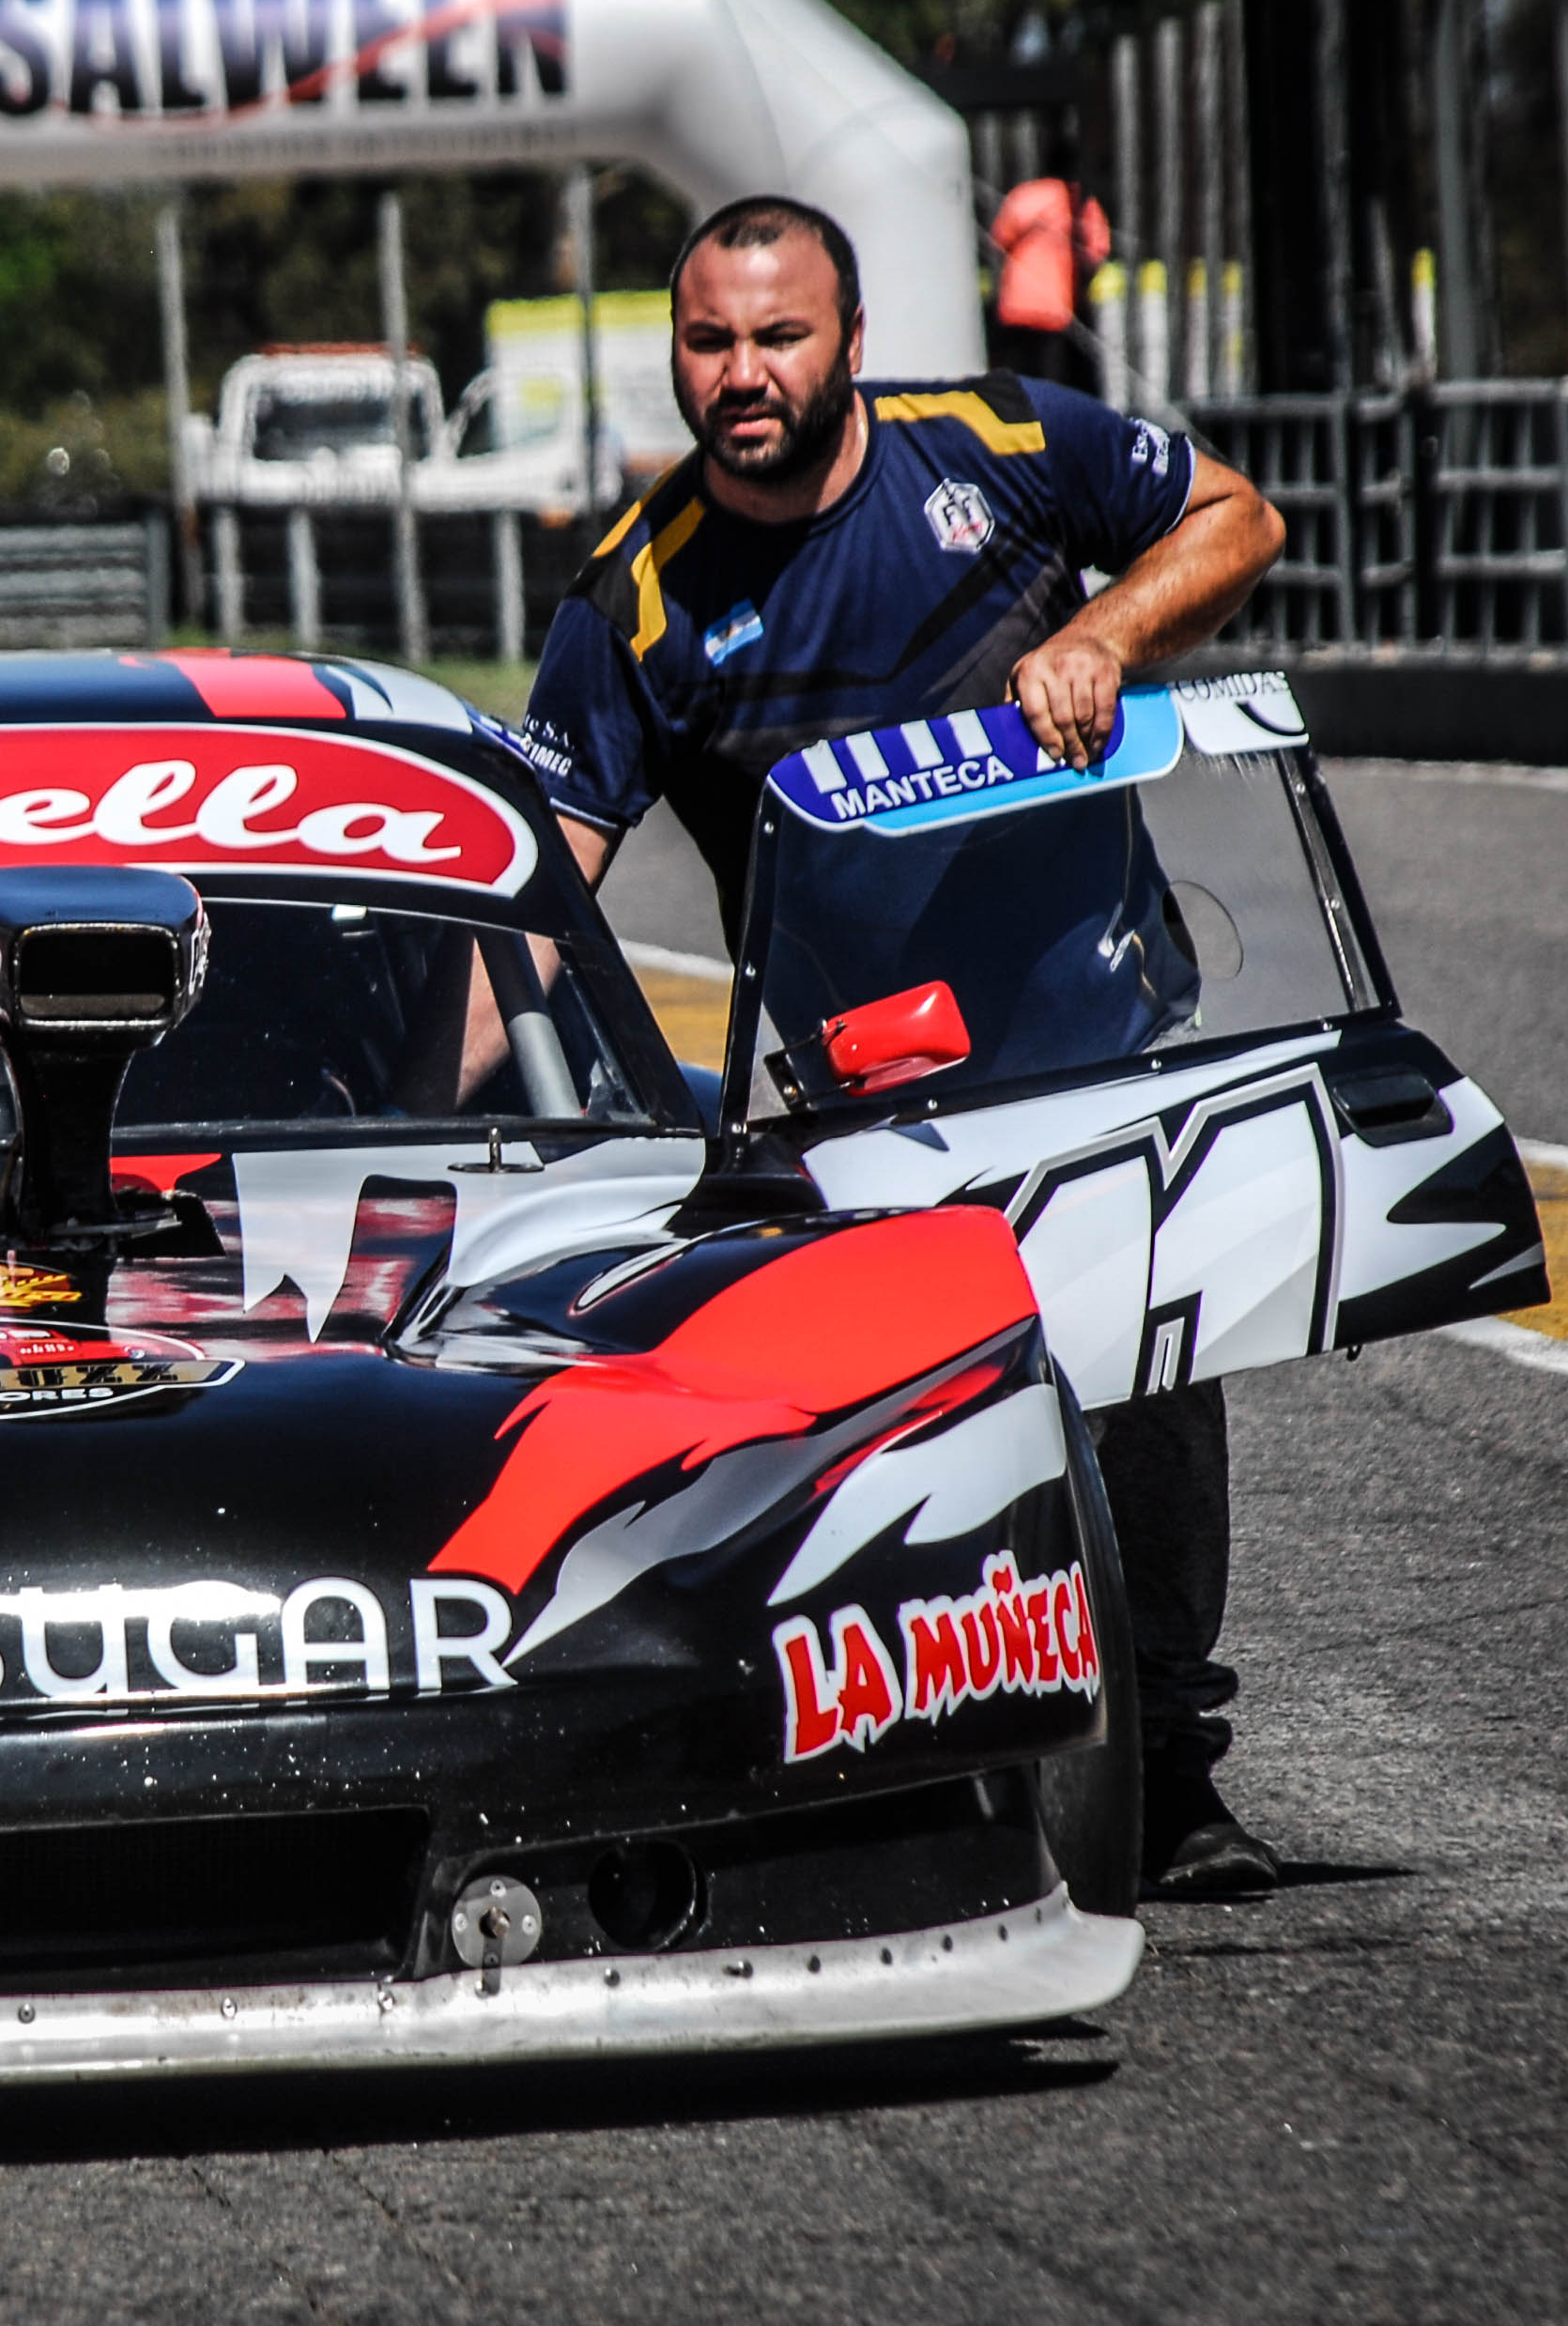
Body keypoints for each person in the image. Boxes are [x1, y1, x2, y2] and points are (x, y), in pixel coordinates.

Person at [514, 193, 1290, 1900]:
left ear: (847, 341)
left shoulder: (1002, 446)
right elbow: (538, 896)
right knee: (939, 1442)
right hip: (872, 1113)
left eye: (778, 336)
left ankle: (1170, 1774)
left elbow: (1240, 518)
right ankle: (926, 1767)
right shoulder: (629, 597)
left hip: (1100, 1036)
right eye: (709, 340)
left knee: (1144, 1392)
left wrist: (1099, 633)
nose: (743, 372)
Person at [987, 167, 1111, 391]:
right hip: (1056, 306)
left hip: (1016, 305)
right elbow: (1098, 249)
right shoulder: (1078, 201)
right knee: (1053, 381)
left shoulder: (1023, 195)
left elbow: (1000, 238)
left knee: (1018, 379)